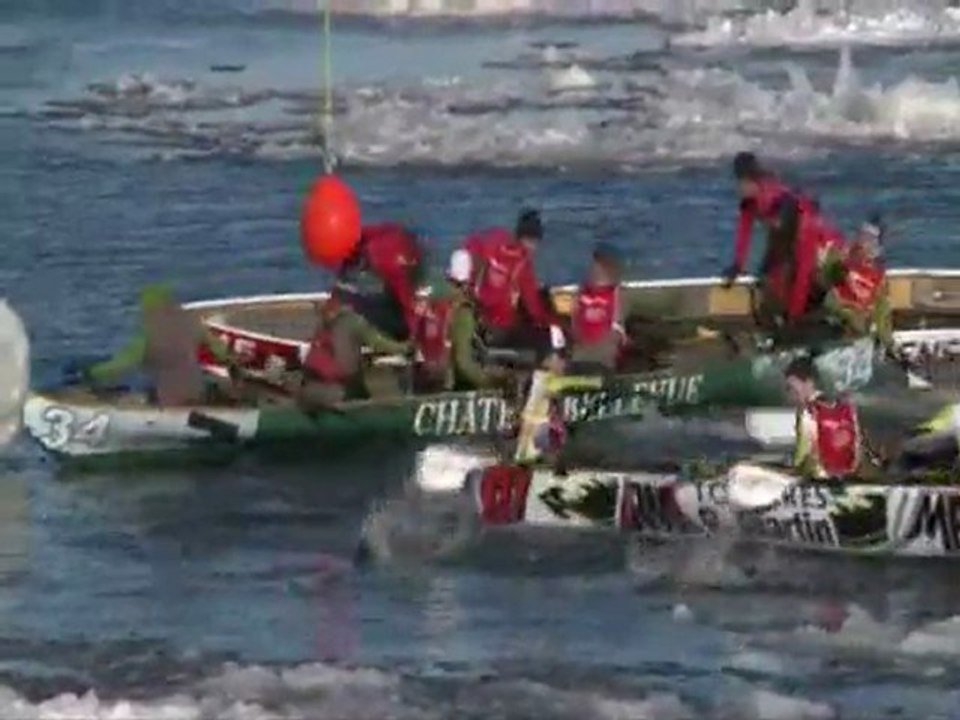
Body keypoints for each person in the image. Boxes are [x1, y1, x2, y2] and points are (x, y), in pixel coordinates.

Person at [724, 152, 846, 333]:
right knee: (768, 281)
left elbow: (804, 267)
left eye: (743, 183)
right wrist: (737, 264)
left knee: (805, 285)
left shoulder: (795, 215)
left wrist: (794, 315)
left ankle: (813, 320)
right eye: (739, 182)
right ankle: (780, 322)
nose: (740, 188)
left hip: (824, 252)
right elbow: (744, 231)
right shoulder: (752, 201)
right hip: (786, 238)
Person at [84, 284, 241, 407]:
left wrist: (94, 372)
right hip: (196, 393)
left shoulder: (148, 335)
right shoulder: (194, 326)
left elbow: (123, 364)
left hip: (167, 398)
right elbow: (223, 354)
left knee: (132, 389)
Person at [411, 249, 511, 393]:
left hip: (416, 374)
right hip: (442, 381)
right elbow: (463, 363)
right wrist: (491, 385)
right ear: (469, 278)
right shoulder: (461, 308)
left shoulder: (427, 290)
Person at [463, 208, 556, 352]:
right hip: (497, 326)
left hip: (477, 316)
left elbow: (471, 244)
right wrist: (548, 322)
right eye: (534, 242)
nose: (535, 247)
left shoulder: (497, 239)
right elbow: (532, 304)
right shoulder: (523, 264)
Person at [297, 297, 409, 408]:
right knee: (365, 395)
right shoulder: (354, 322)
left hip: (312, 387)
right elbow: (378, 343)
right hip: (345, 386)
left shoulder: (322, 323)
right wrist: (406, 348)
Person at [334, 222, 424, 340]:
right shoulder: (388, 244)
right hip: (397, 251)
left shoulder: (388, 264)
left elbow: (404, 295)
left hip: (401, 320)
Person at [785, 356, 865, 480]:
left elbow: (805, 456)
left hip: (821, 480)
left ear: (809, 382)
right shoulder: (846, 408)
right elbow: (858, 448)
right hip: (847, 477)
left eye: (792, 387)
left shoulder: (809, 413)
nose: (791, 393)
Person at [825, 214, 892, 348]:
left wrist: (886, 341)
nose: (864, 242)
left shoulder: (878, 275)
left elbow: (881, 313)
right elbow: (828, 284)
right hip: (837, 320)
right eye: (863, 236)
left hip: (859, 329)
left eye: (871, 239)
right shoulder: (843, 259)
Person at [566, 242, 627, 373]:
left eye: (599, 265)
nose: (595, 269)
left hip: (602, 354)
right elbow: (575, 316)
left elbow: (617, 323)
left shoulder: (616, 293)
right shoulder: (582, 290)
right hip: (582, 351)